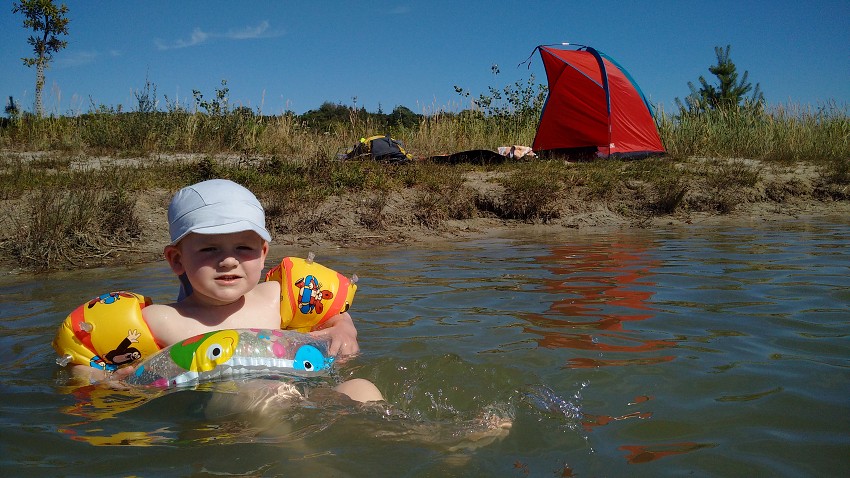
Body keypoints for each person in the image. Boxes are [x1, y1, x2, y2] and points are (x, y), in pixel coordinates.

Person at [74, 178, 383, 404]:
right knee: (261, 394)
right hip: (220, 424)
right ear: (177, 259)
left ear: (263, 254)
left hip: (301, 398)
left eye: (243, 248)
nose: (228, 260)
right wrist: (111, 382)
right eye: (209, 248)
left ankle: (406, 437)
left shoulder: (276, 299)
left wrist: (344, 331)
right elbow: (85, 361)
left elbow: (335, 316)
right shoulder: (162, 321)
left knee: (362, 388)